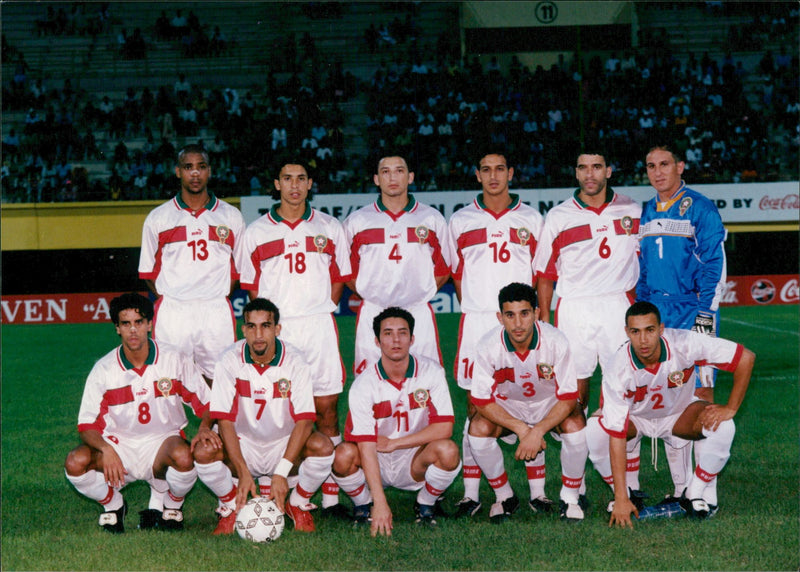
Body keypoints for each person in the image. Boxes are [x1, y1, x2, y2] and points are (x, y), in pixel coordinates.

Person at [238, 161, 351, 516]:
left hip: (317, 326)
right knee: (278, 407)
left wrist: (322, 307)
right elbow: (253, 290)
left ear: (310, 183)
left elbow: (339, 279)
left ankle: (330, 496)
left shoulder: (330, 227)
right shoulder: (255, 232)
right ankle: (285, 483)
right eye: (287, 179)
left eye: (301, 179)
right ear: (277, 183)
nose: (294, 185)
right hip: (278, 330)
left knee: (326, 409)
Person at [138, 144, 244, 510]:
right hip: (175, 311)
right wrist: (179, 295)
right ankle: (167, 475)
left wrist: (207, 295)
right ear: (177, 172)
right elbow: (149, 275)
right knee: (167, 383)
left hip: (215, 309)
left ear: (210, 171)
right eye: (188, 167)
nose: (194, 173)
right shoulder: (158, 218)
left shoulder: (230, 216)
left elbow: (237, 273)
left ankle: (215, 459)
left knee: (220, 384)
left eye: (201, 167)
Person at [532, 151, 642, 498]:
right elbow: (545, 274)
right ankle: (574, 486)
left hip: (616, 307)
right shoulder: (560, 216)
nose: (590, 173)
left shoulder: (634, 210)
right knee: (572, 397)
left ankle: (630, 486)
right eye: (582, 167)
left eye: (597, 166)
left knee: (622, 393)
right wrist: (545, 320)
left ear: (609, 170)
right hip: (574, 309)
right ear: (575, 172)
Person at [586, 301, 755, 528]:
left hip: (679, 414)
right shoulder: (618, 366)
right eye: (635, 332)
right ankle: (627, 492)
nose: (643, 340)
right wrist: (621, 499)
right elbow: (616, 434)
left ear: (662, 329)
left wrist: (731, 408)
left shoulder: (684, 343)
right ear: (627, 332)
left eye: (650, 330)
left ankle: (693, 492)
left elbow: (745, 358)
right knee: (595, 430)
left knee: (723, 425)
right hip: (636, 419)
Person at [64, 293, 219, 533]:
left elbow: (208, 404)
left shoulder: (174, 359)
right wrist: (106, 449)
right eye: (126, 324)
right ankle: (114, 504)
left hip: (162, 443)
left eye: (138, 322)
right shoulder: (104, 369)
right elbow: (86, 425)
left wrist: (205, 427)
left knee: (185, 457)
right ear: (117, 328)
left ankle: (171, 505)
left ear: (149, 324)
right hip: (119, 446)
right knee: (75, 463)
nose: (133, 330)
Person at [447, 150, 543, 517]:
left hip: (519, 321)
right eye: (485, 169)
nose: (493, 176)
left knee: (530, 397)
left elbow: (539, 274)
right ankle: (473, 493)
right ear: (477, 175)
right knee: (476, 406)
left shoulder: (531, 218)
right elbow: (457, 275)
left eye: (500, 169)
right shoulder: (460, 220)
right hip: (477, 320)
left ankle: (537, 492)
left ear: (511, 173)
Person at [193, 298, 335, 534]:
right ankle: (231, 506)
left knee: (323, 446)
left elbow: (305, 421)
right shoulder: (228, 360)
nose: (258, 334)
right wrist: (243, 470)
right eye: (251, 326)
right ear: (244, 330)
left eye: (266, 326)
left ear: (277, 329)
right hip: (242, 443)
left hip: (283, 442)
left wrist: (281, 471)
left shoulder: (295, 361)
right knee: (203, 451)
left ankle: (297, 503)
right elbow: (224, 420)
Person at [637, 144, 727, 501]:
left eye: (664, 165)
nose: (658, 172)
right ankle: (681, 489)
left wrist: (706, 315)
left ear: (680, 166)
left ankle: (705, 492)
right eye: (651, 166)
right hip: (658, 315)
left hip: (693, 312)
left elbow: (714, 265)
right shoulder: (646, 211)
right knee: (671, 399)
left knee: (702, 397)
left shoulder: (700, 208)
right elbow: (643, 269)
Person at [332, 307, 461, 535]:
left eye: (402, 333)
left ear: (412, 339)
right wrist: (380, 502)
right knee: (341, 456)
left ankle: (425, 503)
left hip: (415, 457)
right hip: (375, 458)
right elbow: (366, 446)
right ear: (377, 340)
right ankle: (364, 505)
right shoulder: (364, 384)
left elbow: (445, 427)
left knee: (448, 451)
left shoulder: (432, 372)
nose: (395, 340)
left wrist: (395, 443)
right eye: (388, 333)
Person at [468, 282, 588, 522]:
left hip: (549, 403)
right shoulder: (487, 346)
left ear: (536, 313)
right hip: (509, 406)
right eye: (510, 315)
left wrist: (538, 431)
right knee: (477, 429)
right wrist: (523, 429)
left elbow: (567, 398)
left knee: (576, 425)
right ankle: (504, 496)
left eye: (524, 314)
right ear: (499, 318)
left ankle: (570, 497)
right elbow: (480, 400)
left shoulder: (556, 341)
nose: (518, 323)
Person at [343, 154, 451, 375]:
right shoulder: (357, 221)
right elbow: (346, 270)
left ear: (410, 177)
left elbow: (444, 268)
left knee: (426, 381)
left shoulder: (431, 219)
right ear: (376, 179)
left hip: (417, 311)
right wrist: (369, 293)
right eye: (385, 171)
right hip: (373, 311)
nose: (393, 177)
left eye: (399, 171)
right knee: (369, 383)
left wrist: (420, 295)